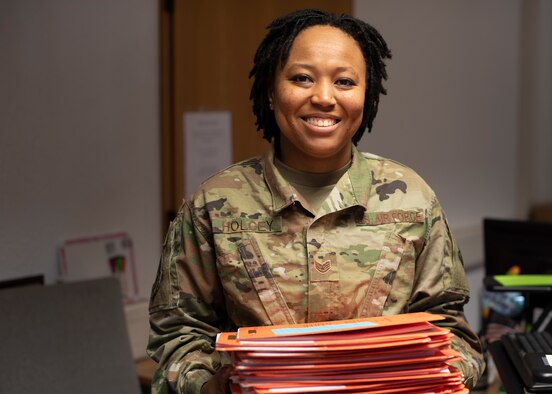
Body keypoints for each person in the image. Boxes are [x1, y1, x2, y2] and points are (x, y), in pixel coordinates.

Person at [147, 8, 485, 393]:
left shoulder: (412, 198)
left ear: (366, 95)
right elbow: (177, 336)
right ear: (272, 92)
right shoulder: (215, 204)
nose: (324, 97)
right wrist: (216, 387)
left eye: (344, 81)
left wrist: (440, 376)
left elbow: (451, 331)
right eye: (302, 78)